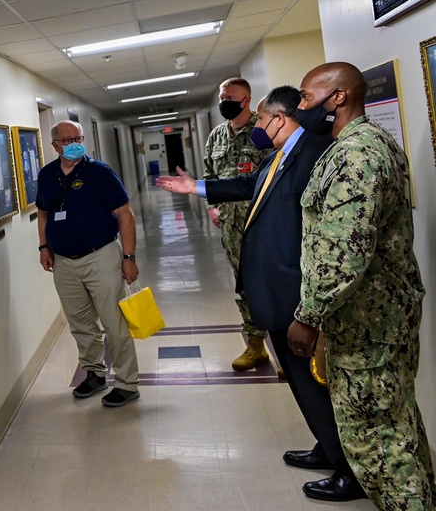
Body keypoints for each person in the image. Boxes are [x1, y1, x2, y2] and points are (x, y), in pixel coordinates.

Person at [157, 87, 362, 501]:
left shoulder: (315, 154)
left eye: (264, 119)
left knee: (315, 380)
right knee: (305, 384)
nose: (260, 128)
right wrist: (196, 187)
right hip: (277, 289)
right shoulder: (284, 154)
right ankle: (329, 445)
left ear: (278, 119)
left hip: (295, 290)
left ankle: (348, 470)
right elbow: (251, 184)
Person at [287, 62, 433, 510]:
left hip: (370, 323)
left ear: (338, 98)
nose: (300, 107)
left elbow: (342, 253)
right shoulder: (359, 145)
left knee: (377, 444)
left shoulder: (357, 155)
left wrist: (308, 316)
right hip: (376, 315)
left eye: (307, 98)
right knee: (397, 425)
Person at [36, 120, 140, 408]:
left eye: (78, 138)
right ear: (54, 144)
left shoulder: (99, 172)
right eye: (67, 140)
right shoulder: (46, 176)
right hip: (64, 262)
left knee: (114, 322)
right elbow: (43, 214)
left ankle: (127, 382)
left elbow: (125, 214)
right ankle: (94, 373)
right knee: (80, 323)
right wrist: (44, 246)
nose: (74, 143)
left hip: (102, 255)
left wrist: (129, 257)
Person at [203, 77, 274, 371]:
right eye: (222, 97)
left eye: (230, 97)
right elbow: (210, 175)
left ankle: (288, 349)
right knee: (244, 286)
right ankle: (255, 346)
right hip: (232, 227)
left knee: (276, 282)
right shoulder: (217, 136)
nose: (224, 103)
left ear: (246, 100)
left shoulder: (265, 130)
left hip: (266, 223)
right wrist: (213, 207)